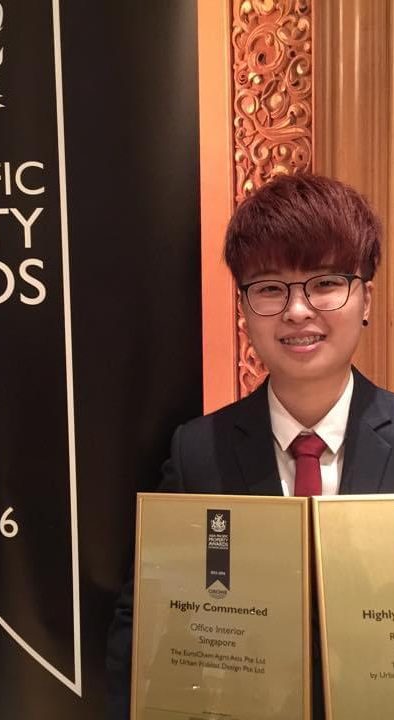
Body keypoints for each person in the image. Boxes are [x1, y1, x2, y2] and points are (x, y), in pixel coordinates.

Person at [106, 173, 394, 719]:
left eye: (325, 282)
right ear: (243, 307)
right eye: (269, 288)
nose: (298, 310)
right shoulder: (197, 451)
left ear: (365, 300)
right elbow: (146, 616)